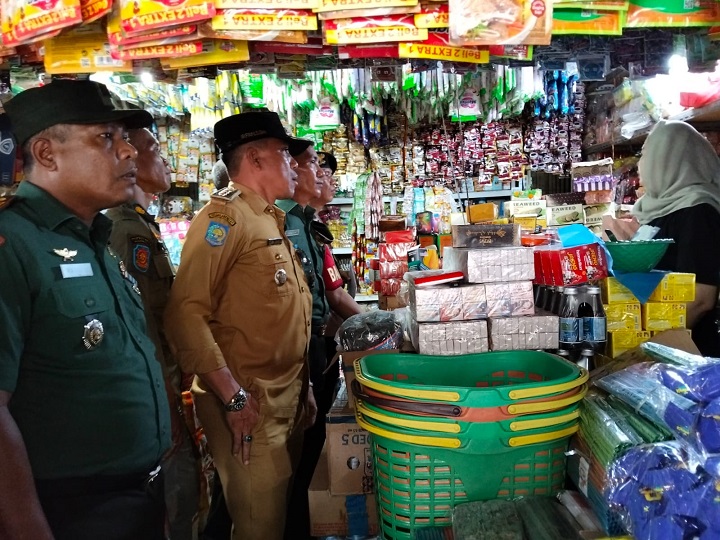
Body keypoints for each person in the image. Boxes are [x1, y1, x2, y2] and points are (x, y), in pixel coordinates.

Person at [0, 79, 170, 539]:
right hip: (71, 511)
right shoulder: (14, 246)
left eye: (125, 137)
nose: (128, 151)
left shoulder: (95, 238)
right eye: (105, 138)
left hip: (139, 498)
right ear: (47, 153)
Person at [164, 111, 315, 540]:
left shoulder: (268, 218)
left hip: (282, 396)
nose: (294, 164)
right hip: (249, 403)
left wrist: (302, 386)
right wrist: (232, 398)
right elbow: (185, 312)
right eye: (284, 153)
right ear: (255, 158)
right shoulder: (224, 220)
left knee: (275, 519)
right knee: (258, 525)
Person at [106, 127, 201, 540]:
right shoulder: (125, 231)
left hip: (170, 385)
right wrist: (165, 401)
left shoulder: (143, 227)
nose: (165, 160)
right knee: (176, 500)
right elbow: (140, 323)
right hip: (157, 394)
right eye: (155, 150)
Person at [279, 147, 364, 540]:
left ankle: (301, 522)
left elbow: (322, 292)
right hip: (296, 347)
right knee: (298, 453)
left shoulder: (302, 221)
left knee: (307, 446)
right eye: (314, 164)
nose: (323, 174)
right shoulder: (285, 221)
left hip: (311, 342)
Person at [629, 120, 720, 356]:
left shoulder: (698, 211)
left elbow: (701, 298)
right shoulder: (663, 207)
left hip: (690, 352)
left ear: (667, 158)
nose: (640, 164)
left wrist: (651, 348)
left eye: (646, 153)